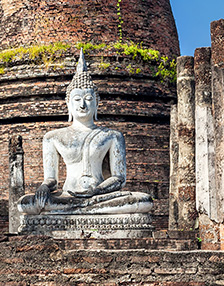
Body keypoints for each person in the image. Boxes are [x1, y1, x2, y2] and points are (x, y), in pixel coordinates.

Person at [17, 51, 153, 215]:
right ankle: (81, 210)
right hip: (67, 195)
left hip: (100, 196)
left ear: (97, 103)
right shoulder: (53, 138)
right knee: (25, 204)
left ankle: (82, 209)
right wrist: (44, 187)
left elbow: (119, 178)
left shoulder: (112, 136)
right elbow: (52, 180)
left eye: (88, 99)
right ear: (68, 104)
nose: (82, 105)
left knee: (143, 201)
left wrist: (96, 191)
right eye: (77, 99)